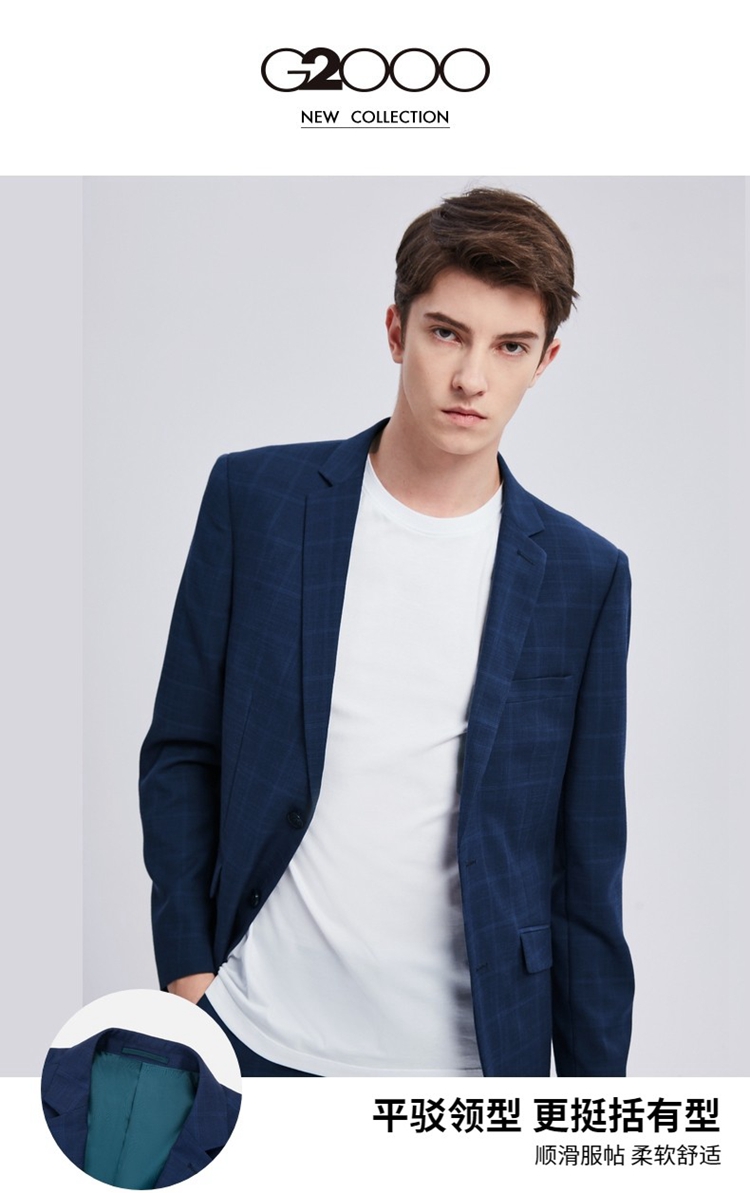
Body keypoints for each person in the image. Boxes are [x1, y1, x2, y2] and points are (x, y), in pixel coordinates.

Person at [139, 187, 635, 1077]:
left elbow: (584, 865)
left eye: (509, 346)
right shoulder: (257, 504)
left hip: (469, 1065)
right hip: (253, 1032)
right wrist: (187, 974)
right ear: (397, 330)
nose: (472, 378)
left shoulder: (583, 576)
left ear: (545, 360)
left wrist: (594, 1122)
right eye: (447, 332)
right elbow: (183, 749)